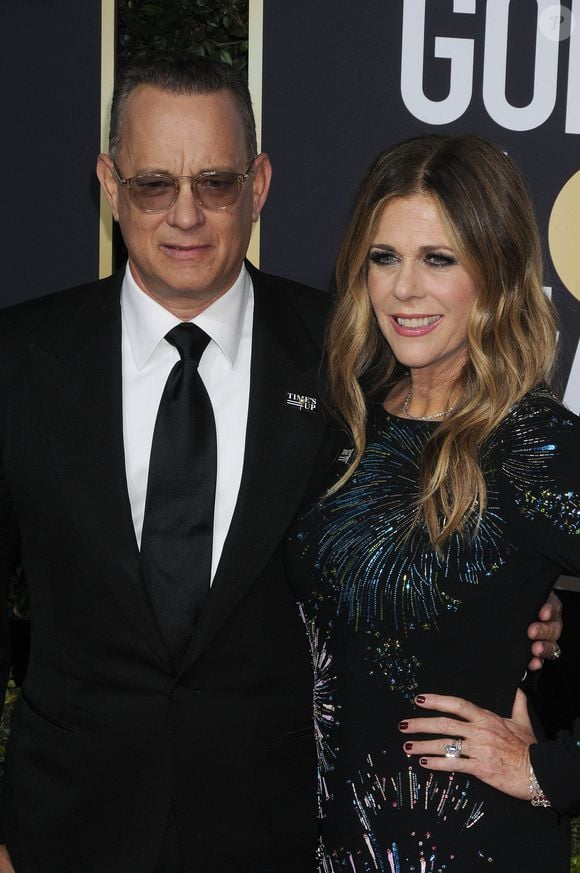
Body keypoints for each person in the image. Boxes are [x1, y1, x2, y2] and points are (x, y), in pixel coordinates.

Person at [0, 58, 560, 873]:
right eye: (155, 183)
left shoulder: (363, 359)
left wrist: (533, 625)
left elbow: (466, 535)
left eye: (217, 183)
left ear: (259, 184)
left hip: (284, 838)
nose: (186, 215)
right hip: (62, 835)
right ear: (109, 183)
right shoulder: (18, 364)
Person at [285, 134, 579, 872]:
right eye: (385, 257)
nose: (404, 289)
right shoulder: (343, 424)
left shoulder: (532, 444)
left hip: (467, 848)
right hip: (321, 842)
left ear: (496, 271)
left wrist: (552, 771)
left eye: (438, 259)